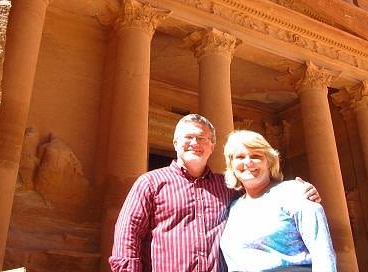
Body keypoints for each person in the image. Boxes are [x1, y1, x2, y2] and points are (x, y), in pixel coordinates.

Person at [109, 114, 320, 272]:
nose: (194, 143)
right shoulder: (151, 182)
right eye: (188, 137)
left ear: (212, 145)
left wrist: (297, 191)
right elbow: (128, 233)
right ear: (175, 143)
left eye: (201, 138)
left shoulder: (227, 186)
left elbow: (260, 195)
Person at [220, 130, 337, 272]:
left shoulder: (293, 192)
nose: (248, 162)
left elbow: (322, 252)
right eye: (240, 157)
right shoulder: (234, 207)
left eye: (256, 156)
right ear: (231, 165)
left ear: (269, 162)